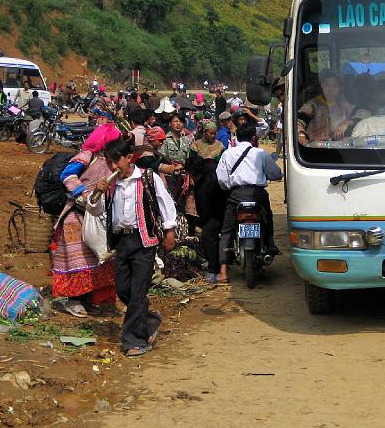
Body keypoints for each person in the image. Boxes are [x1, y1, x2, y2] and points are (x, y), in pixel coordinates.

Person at [87, 138, 176, 357]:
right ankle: (149, 321)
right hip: (122, 242)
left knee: (137, 293)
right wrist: (96, 194)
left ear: (128, 158)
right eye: (109, 163)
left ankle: (133, 340)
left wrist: (169, 231)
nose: (113, 167)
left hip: (144, 241)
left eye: (116, 161)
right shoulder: (110, 184)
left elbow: (166, 204)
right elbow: (95, 210)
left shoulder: (147, 178)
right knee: (123, 289)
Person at [52, 123, 121, 317]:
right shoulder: (86, 156)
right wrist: (84, 195)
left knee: (97, 258)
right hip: (76, 215)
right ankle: (73, 300)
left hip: (98, 217)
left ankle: (89, 298)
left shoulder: (111, 160)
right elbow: (66, 175)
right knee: (77, 260)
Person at [216, 124, 283, 282]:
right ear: (254, 137)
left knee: (226, 232)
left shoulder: (228, 153)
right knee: (267, 220)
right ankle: (270, 244)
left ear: (236, 137)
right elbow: (274, 173)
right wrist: (274, 177)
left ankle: (223, 272)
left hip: (236, 196)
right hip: (257, 195)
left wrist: (229, 187)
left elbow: (222, 180)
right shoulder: (260, 153)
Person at [185, 155, 228, 283]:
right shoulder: (210, 164)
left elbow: (205, 211)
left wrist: (200, 223)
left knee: (208, 235)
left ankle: (213, 270)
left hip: (217, 212)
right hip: (228, 205)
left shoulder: (203, 186)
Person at [298, 70, 368, 142]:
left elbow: (364, 113)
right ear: (321, 86)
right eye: (327, 85)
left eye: (335, 86)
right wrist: (301, 134)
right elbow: (298, 121)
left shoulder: (342, 103)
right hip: (315, 147)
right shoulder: (313, 105)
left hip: (337, 148)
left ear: (340, 88)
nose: (330, 89)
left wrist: (347, 123)